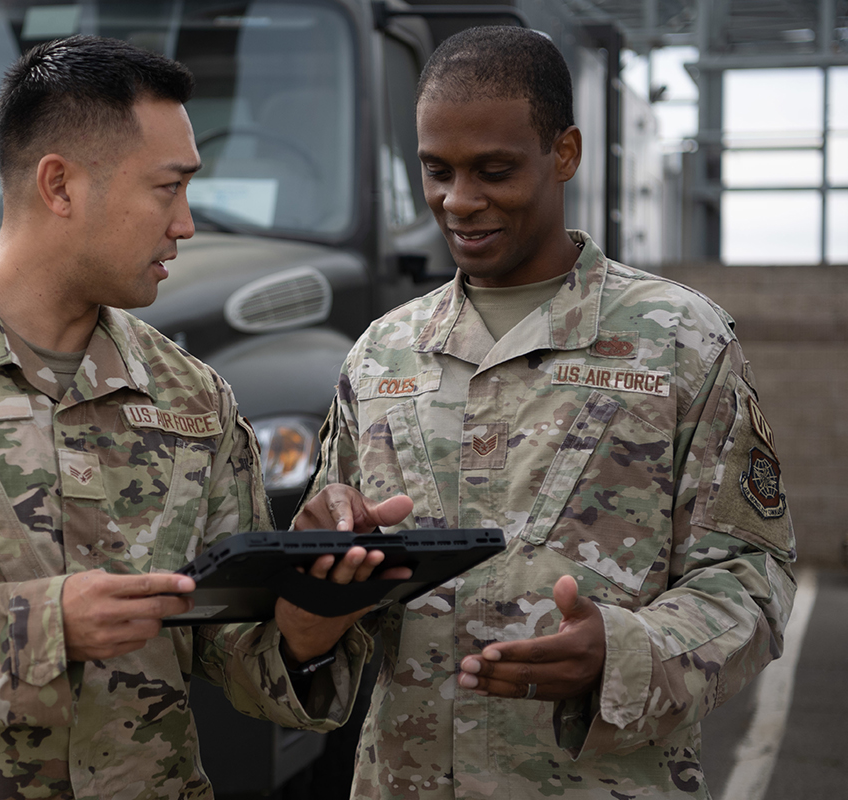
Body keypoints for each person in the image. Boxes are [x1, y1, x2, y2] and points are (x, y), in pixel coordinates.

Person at [0, 35, 407, 799]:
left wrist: (313, 608)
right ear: (60, 185)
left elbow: (235, 650)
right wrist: (38, 630)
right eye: (167, 188)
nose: (185, 224)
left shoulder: (193, 399)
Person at [297, 26, 797, 799]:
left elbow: (752, 576)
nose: (459, 202)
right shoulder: (382, 355)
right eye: (437, 171)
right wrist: (320, 561)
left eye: (494, 171)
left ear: (564, 154)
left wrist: (627, 653)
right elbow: (332, 611)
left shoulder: (680, 341)